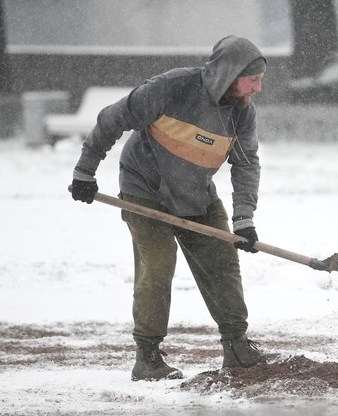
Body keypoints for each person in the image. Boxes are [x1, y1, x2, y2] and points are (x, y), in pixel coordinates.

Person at [68, 35, 270, 381]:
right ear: (229, 73)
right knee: (158, 266)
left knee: (222, 263)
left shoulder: (241, 115)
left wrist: (243, 219)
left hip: (197, 195)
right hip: (145, 190)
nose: (258, 87)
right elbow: (113, 117)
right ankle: (147, 356)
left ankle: (237, 347)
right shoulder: (173, 88)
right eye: (252, 78)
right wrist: (85, 171)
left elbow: (246, 164)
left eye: (260, 79)